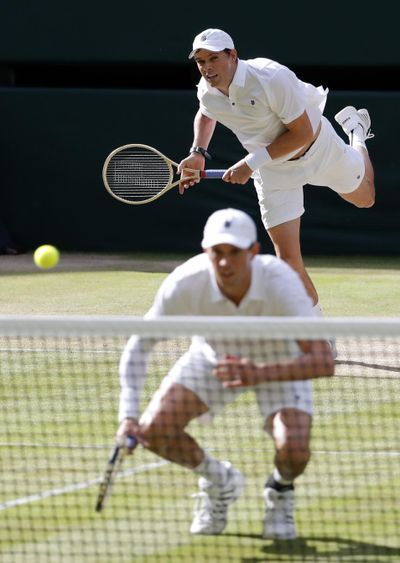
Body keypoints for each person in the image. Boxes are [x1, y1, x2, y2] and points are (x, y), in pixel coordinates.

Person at [116, 208, 334, 539]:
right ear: (206, 252)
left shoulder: (281, 283)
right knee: (153, 432)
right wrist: (128, 415)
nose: (224, 263)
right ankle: (219, 481)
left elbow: (323, 361)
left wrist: (258, 372)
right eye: (217, 252)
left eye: (234, 253)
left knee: (295, 449)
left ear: (253, 252)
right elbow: (138, 347)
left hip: (279, 359)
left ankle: (280, 489)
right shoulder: (185, 283)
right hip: (213, 356)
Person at [178, 28, 375, 313]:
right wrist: (197, 152)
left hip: (319, 148)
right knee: (288, 260)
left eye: (213, 59)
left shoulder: (270, 77)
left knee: (365, 198)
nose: (207, 68)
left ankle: (356, 134)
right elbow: (207, 112)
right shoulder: (206, 90)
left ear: (232, 56)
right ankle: (317, 332)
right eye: (200, 61)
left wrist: (249, 164)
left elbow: (302, 133)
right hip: (274, 172)